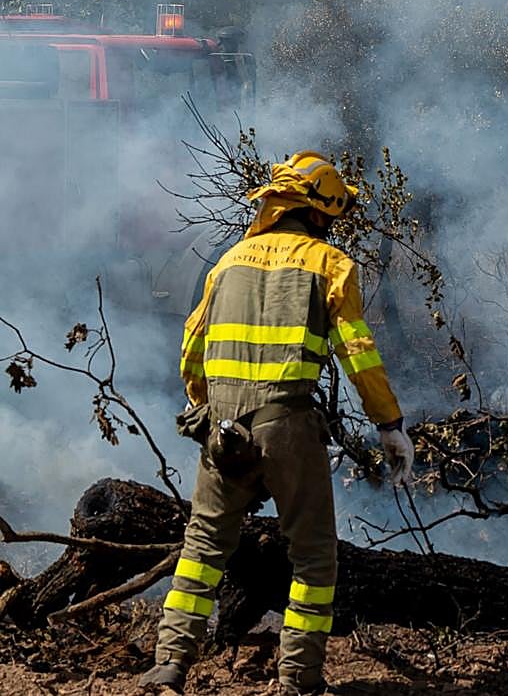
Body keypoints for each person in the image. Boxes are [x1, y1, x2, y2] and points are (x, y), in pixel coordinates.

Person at [138, 151, 415, 694]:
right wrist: (389, 423)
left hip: (222, 428)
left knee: (202, 550)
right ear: (317, 213)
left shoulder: (229, 262)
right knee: (312, 558)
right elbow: (357, 353)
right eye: (331, 217)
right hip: (287, 425)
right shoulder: (329, 264)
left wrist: (210, 407)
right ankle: (299, 680)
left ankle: (169, 663)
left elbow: (191, 350)